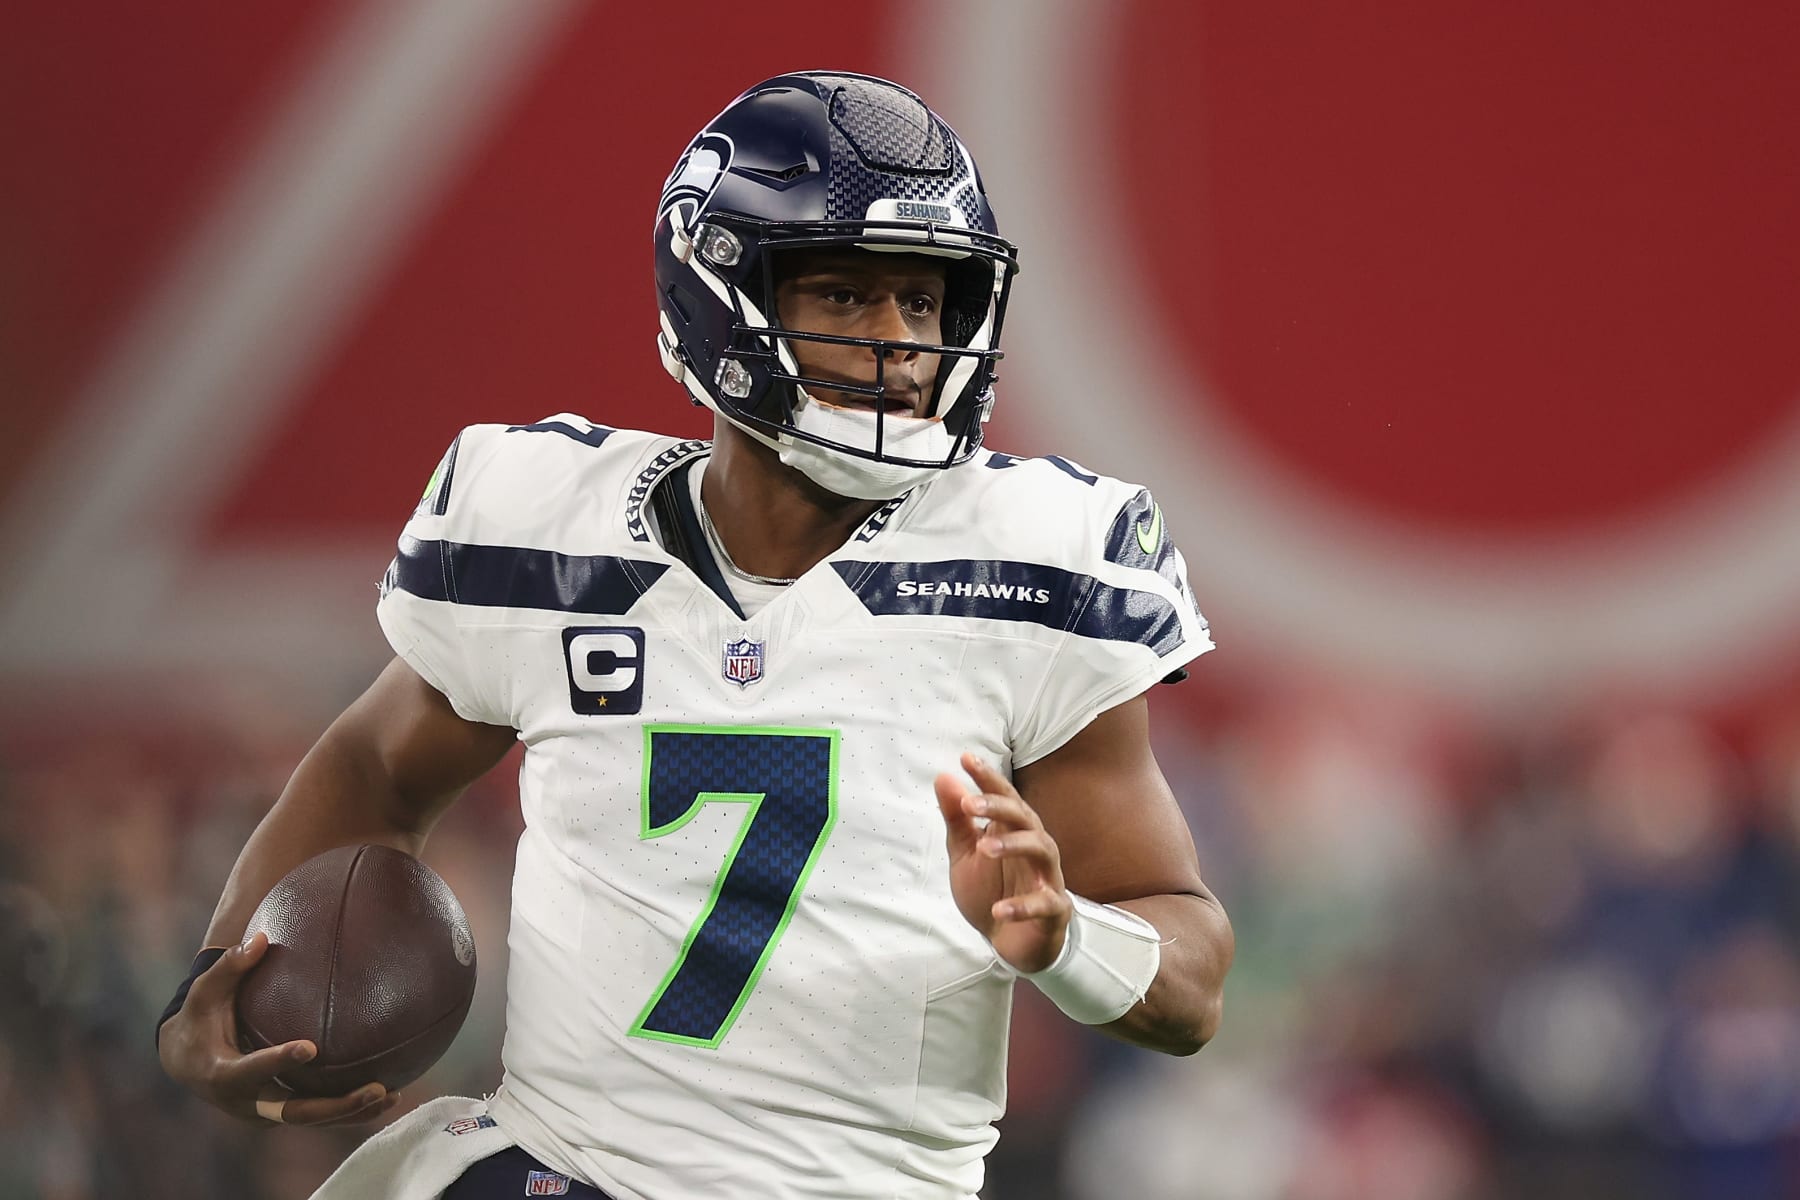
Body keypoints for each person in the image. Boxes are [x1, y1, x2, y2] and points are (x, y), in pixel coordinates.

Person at [156, 70, 1234, 1199]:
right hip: (570, 1164)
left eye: (923, 303)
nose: (902, 344)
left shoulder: (1035, 563)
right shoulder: (548, 533)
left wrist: (1065, 936)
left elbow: (1193, 977)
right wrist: (213, 985)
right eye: (847, 295)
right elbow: (374, 768)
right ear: (722, 295)